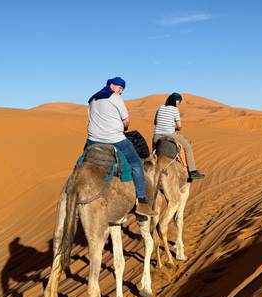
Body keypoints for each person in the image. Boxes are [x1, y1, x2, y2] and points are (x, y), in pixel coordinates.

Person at [86, 77, 155, 217]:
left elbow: (91, 118)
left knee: (83, 162)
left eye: (122, 89)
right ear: (111, 86)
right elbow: (126, 121)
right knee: (136, 163)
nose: (121, 91)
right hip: (114, 139)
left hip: (92, 140)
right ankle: (142, 201)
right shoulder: (115, 97)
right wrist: (124, 126)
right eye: (119, 87)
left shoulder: (92, 99)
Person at [153, 93, 205, 180]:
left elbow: (155, 122)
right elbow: (179, 126)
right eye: (179, 101)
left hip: (157, 135)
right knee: (187, 147)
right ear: (176, 101)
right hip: (170, 134)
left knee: (154, 149)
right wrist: (176, 127)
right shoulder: (174, 110)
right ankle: (192, 171)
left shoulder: (160, 107)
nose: (178, 103)